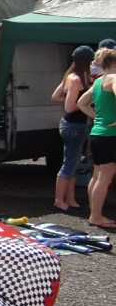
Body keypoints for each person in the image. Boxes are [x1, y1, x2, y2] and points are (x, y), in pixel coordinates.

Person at [50, 45, 94, 211]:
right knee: (69, 164)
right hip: (74, 126)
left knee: (73, 164)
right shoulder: (76, 80)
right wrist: (84, 102)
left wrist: (71, 97)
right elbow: (70, 108)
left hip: (69, 124)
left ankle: (71, 200)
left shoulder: (69, 76)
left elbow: (55, 96)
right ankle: (59, 201)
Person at [77, 47, 116, 229]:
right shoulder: (114, 78)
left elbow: (81, 103)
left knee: (97, 175)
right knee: (105, 177)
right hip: (110, 135)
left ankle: (94, 213)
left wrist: (98, 117)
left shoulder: (98, 81)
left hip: (97, 133)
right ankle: (96, 216)